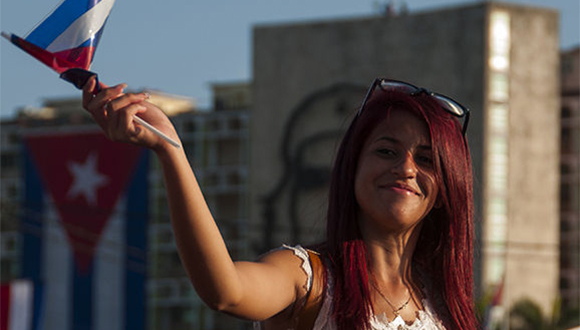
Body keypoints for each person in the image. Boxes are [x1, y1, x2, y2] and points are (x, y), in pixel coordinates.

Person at [82, 77, 478, 330]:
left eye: (426, 159)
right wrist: (171, 152)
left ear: (448, 187)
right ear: (351, 167)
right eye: (387, 151)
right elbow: (227, 292)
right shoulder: (309, 279)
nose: (406, 169)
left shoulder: (445, 307)